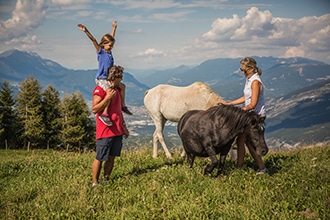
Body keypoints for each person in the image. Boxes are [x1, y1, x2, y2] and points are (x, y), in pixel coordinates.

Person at [78, 21, 132, 127]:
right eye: (110, 45)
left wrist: (114, 28)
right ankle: (105, 114)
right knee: (110, 92)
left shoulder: (109, 52)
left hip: (108, 78)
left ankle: (123, 106)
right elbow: (93, 40)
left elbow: (111, 37)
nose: (111, 47)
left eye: (112, 46)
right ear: (103, 44)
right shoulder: (101, 52)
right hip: (102, 78)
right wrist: (86, 31)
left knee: (122, 86)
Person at [219, 57, 268, 174]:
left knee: (249, 142)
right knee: (241, 141)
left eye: (244, 70)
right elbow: (246, 97)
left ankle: (262, 168)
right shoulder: (249, 79)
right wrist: (229, 103)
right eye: (241, 70)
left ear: (251, 69)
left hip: (255, 117)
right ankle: (240, 167)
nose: (242, 72)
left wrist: (240, 111)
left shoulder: (255, 82)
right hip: (249, 115)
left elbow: (253, 104)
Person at [91, 65, 129, 187]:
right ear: (115, 77)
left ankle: (106, 179)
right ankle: (95, 183)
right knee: (100, 157)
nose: (121, 80)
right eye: (120, 77)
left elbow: (118, 111)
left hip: (117, 129)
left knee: (112, 157)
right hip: (105, 130)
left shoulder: (117, 90)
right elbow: (95, 109)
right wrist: (107, 98)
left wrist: (124, 127)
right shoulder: (100, 90)